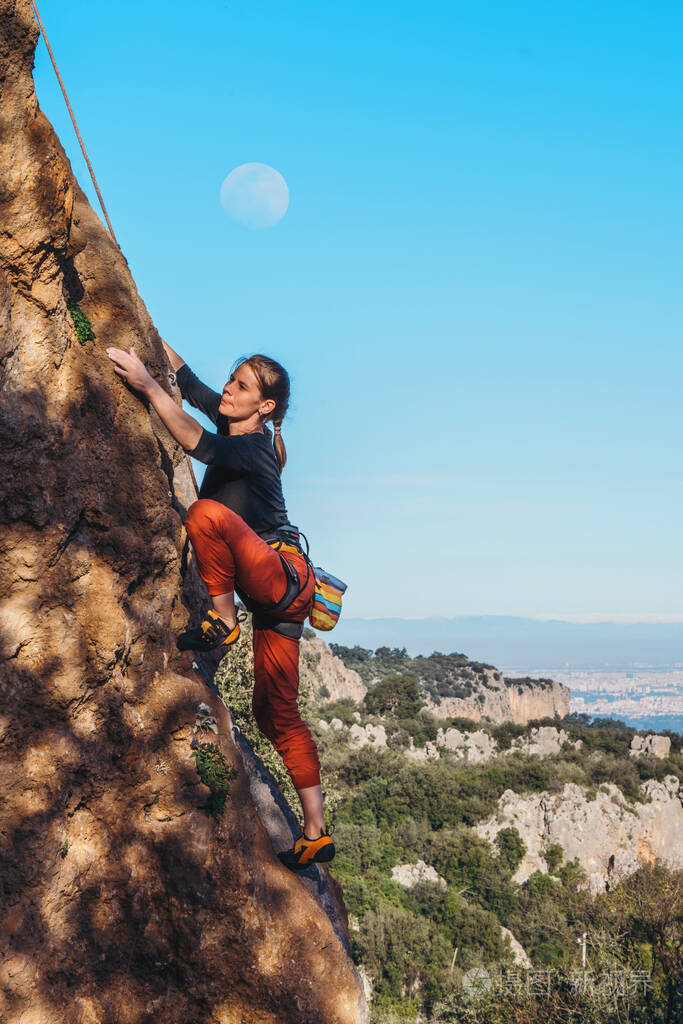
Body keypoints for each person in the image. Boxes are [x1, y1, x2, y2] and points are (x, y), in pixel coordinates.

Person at [105, 340, 335, 871]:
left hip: (282, 577)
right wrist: (153, 339)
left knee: (205, 515)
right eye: (232, 380)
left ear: (265, 408)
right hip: (279, 597)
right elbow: (188, 383)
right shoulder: (235, 418)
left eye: (242, 387)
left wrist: (143, 382)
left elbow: (193, 441)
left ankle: (224, 621)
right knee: (273, 713)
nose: (229, 390)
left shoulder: (251, 447)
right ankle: (317, 832)